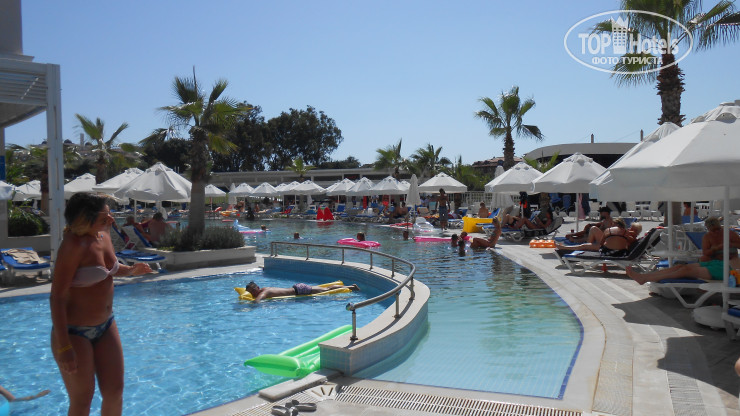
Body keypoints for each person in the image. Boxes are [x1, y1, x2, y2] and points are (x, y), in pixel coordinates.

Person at [50, 192, 153, 415]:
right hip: (74, 332)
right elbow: (57, 297)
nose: (112, 220)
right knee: (82, 401)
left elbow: (110, 269)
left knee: (115, 393)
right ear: (85, 218)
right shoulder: (73, 245)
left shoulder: (102, 235)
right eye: (105, 217)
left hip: (106, 325)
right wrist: (64, 346)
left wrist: (131, 270)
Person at [626, 216, 740, 284]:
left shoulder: (730, 234)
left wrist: (729, 244)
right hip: (717, 263)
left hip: (728, 269)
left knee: (685, 270)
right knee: (680, 267)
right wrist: (715, 248)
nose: (716, 232)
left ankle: (645, 278)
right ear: (708, 229)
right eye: (713, 230)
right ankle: (645, 277)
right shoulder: (708, 237)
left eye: (718, 229)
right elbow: (706, 252)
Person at [556, 219, 642, 256]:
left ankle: (565, 248)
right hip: (610, 247)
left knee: (584, 246)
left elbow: (601, 243)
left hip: (609, 249)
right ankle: (570, 248)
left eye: (632, 229)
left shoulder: (631, 237)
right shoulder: (629, 235)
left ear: (636, 231)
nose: (629, 229)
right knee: (592, 233)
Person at [245, 281, 360, 302]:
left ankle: (351, 287)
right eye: (251, 293)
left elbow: (257, 302)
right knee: (325, 289)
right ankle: (349, 286)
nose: (253, 294)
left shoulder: (264, 293)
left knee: (326, 289)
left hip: (299, 291)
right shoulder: (265, 288)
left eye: (253, 291)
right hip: (297, 288)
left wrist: (245, 304)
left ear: (257, 288)